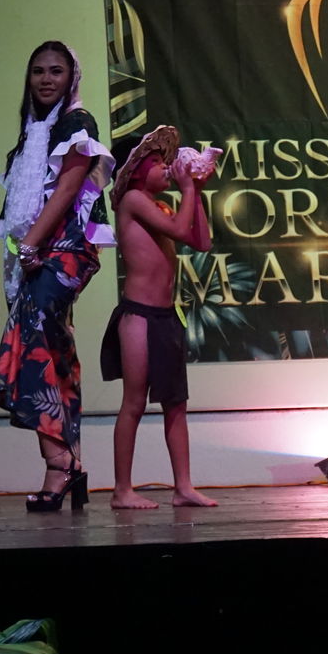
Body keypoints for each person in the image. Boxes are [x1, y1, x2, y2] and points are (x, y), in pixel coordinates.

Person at [0, 40, 114, 512]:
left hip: (63, 249)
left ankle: (56, 466)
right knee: (55, 352)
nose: (45, 79)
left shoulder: (76, 123)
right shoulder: (32, 132)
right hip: (34, 253)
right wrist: (24, 250)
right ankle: (73, 463)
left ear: (71, 77)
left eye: (56, 71)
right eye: (37, 71)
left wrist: (33, 244)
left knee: (34, 342)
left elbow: (67, 191)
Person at [101, 125, 218, 508]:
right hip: (139, 317)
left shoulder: (161, 206)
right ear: (135, 171)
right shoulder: (133, 199)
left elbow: (200, 240)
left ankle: (183, 486)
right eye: (158, 163)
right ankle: (122, 490)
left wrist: (195, 189)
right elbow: (181, 230)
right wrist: (187, 188)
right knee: (133, 402)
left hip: (166, 317)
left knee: (176, 404)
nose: (167, 168)